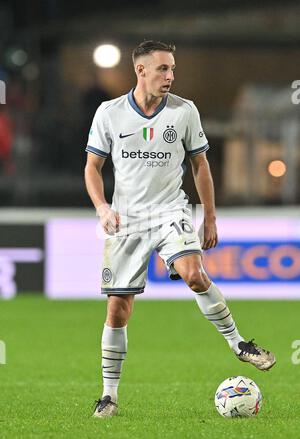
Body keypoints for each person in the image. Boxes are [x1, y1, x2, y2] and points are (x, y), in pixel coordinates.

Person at [84, 40, 276, 418]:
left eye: (172, 69)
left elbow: (200, 165)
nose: (170, 76)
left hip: (171, 211)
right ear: (140, 70)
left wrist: (211, 216)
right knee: (118, 310)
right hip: (127, 220)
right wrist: (102, 208)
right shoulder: (109, 113)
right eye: (163, 69)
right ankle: (109, 395)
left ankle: (239, 344)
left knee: (194, 274)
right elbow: (92, 168)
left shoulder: (184, 111)